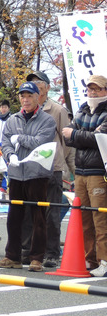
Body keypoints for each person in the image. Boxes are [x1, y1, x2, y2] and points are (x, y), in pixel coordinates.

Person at [0, 82, 56, 272]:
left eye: (29, 95)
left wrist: (19, 139)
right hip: (16, 174)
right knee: (14, 217)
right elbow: (5, 141)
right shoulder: (13, 119)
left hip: (37, 173)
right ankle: (12, 256)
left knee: (38, 217)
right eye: (22, 96)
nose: (26, 99)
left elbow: (40, 142)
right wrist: (9, 154)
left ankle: (36, 257)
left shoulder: (47, 120)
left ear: (38, 97)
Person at [22, 71, 73, 269]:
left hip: (52, 167)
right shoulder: (25, 108)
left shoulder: (57, 110)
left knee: (52, 213)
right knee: (29, 210)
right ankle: (30, 251)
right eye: (31, 83)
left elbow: (66, 141)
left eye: (39, 82)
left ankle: (51, 253)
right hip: (30, 167)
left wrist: (60, 160)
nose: (35, 85)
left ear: (47, 87)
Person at [62, 74, 107, 275]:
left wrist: (77, 135)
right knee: (84, 218)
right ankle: (90, 260)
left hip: (99, 172)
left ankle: (104, 260)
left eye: (97, 88)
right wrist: (82, 136)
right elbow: (68, 136)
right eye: (90, 88)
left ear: (105, 90)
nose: (93, 92)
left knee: (101, 218)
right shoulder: (82, 109)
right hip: (80, 172)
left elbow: (100, 138)